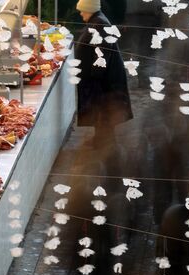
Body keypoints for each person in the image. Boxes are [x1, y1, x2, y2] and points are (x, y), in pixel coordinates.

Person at [74, 0, 133, 164]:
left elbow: (102, 55)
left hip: (105, 80)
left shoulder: (100, 24)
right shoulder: (97, 21)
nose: (80, 13)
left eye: (82, 10)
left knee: (105, 112)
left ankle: (107, 148)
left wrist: (94, 75)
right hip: (102, 79)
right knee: (102, 113)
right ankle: (101, 141)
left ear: (89, 9)